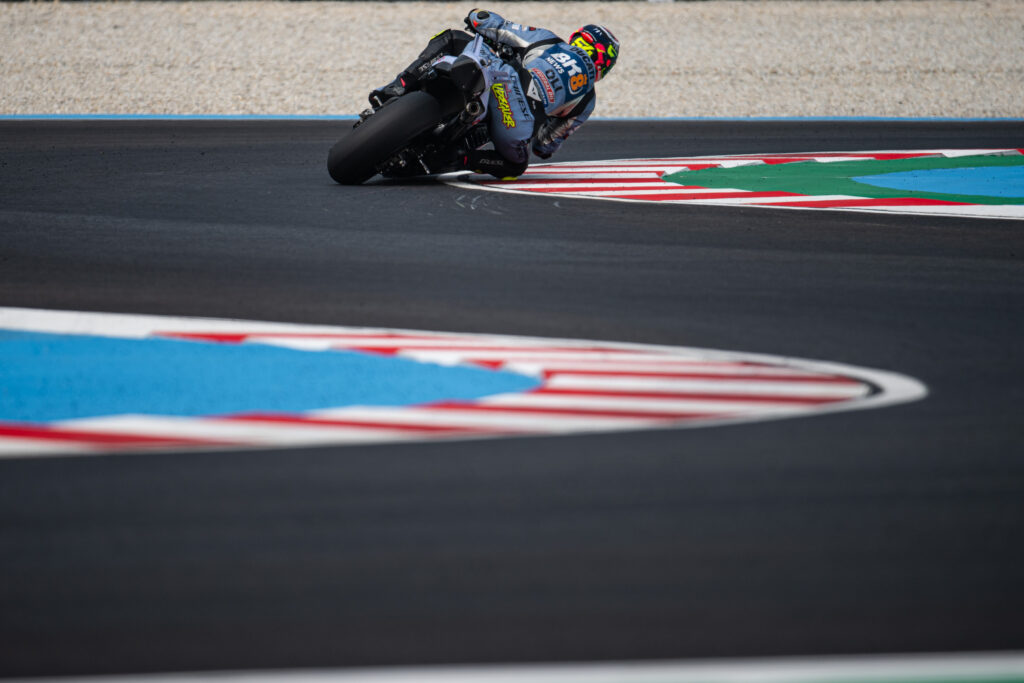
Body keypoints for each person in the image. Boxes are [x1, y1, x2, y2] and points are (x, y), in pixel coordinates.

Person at [369, 9, 620, 179]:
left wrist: (474, 18)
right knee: (515, 166)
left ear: (578, 38)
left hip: (499, 78)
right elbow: (544, 146)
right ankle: (457, 158)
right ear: (605, 64)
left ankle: (396, 88)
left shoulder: (549, 41)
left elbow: (491, 23)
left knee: (452, 38)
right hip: (515, 121)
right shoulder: (587, 100)